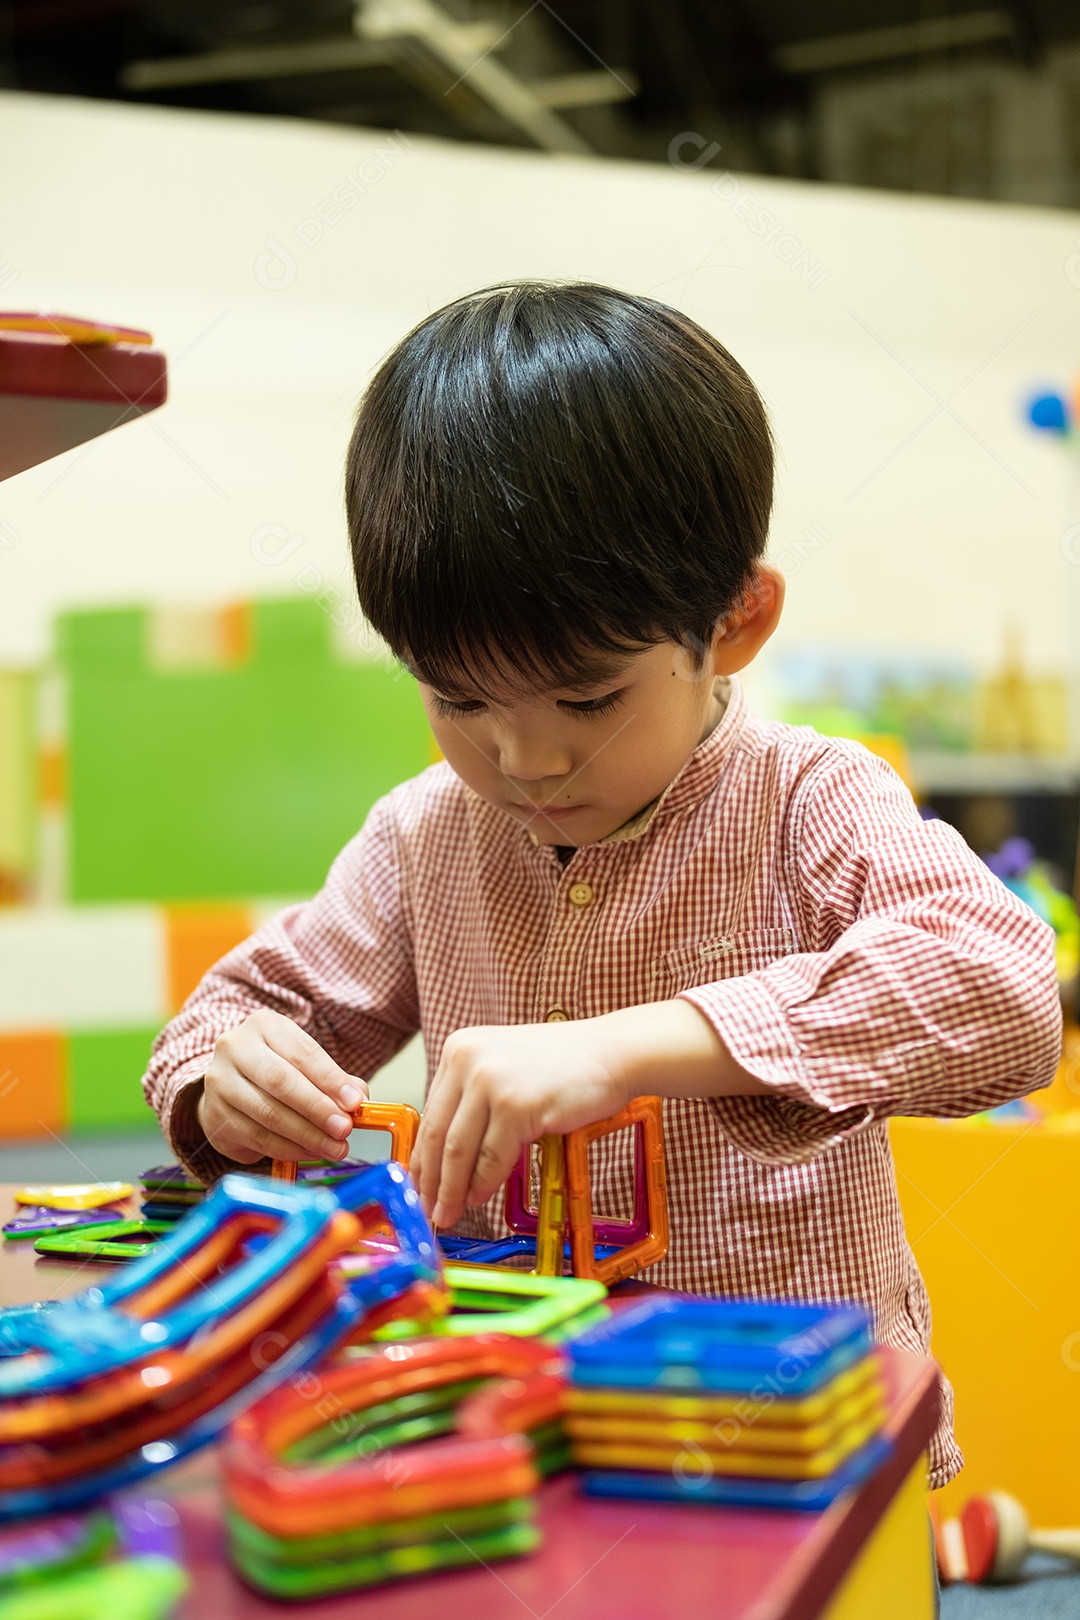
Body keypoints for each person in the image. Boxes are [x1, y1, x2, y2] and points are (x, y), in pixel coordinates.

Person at [143, 281, 1061, 1489]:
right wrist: (228, 1084)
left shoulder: (807, 798)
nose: (525, 759)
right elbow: (232, 1018)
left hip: (792, 1461)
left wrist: (635, 1047)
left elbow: (1003, 988)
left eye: (587, 699)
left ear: (735, 622)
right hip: (527, 1455)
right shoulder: (425, 833)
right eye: (457, 699)